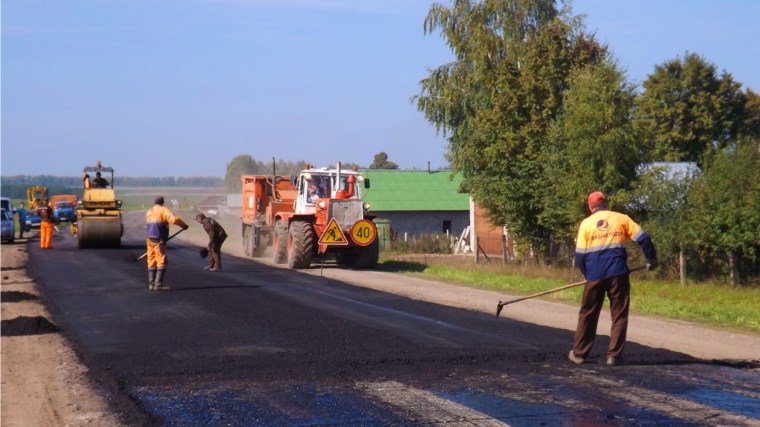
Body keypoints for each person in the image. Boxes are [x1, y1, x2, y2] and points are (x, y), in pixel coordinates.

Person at [569, 191, 658, 367]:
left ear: (590, 206)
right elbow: (644, 238)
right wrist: (651, 259)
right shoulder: (621, 218)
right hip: (619, 274)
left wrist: (587, 275)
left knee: (588, 314)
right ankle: (614, 356)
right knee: (619, 315)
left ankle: (579, 354)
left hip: (595, 275)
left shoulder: (586, 224)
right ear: (605, 204)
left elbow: (580, 255)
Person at [145, 195, 188, 291]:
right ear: (162, 202)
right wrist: (183, 225)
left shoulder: (149, 211)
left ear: (154, 202)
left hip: (149, 239)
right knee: (161, 261)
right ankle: (158, 285)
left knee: (151, 260)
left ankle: (151, 284)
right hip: (159, 239)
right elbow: (174, 219)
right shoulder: (164, 210)